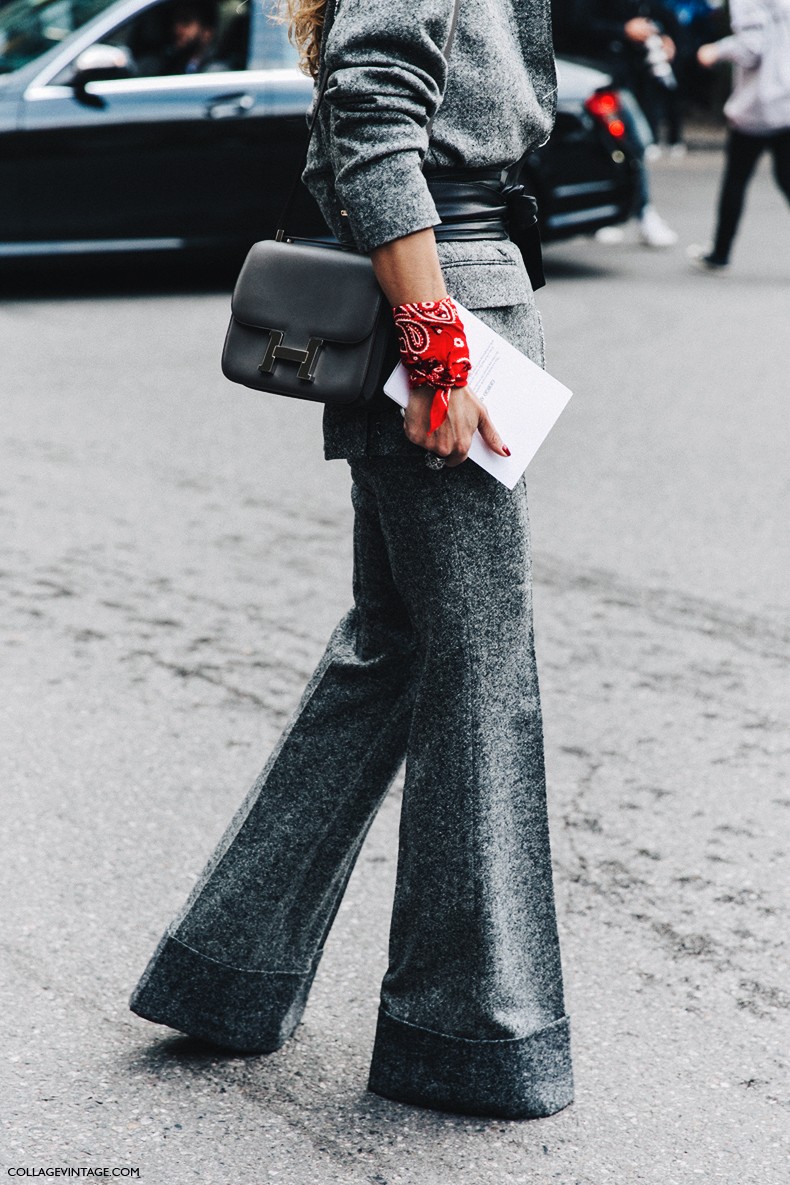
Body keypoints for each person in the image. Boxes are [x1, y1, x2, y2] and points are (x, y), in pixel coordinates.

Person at [129, 0, 574, 1121]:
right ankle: (466, 1033)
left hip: (460, 308)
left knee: (394, 655)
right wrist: (434, 349)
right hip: (442, 327)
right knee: (478, 671)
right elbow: (371, 119)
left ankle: (224, 970)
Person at [566, 0, 680, 245]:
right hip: (599, 77)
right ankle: (642, 213)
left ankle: (621, 214)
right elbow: (575, 24)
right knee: (632, 143)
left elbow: (661, 14)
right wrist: (623, 30)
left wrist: (665, 38)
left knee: (622, 145)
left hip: (633, 76)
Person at [687, 0, 790, 271]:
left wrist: (716, 50)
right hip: (786, 101)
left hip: (757, 104)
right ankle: (719, 253)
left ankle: (720, 254)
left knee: (736, 179)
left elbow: (751, 48)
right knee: (786, 177)